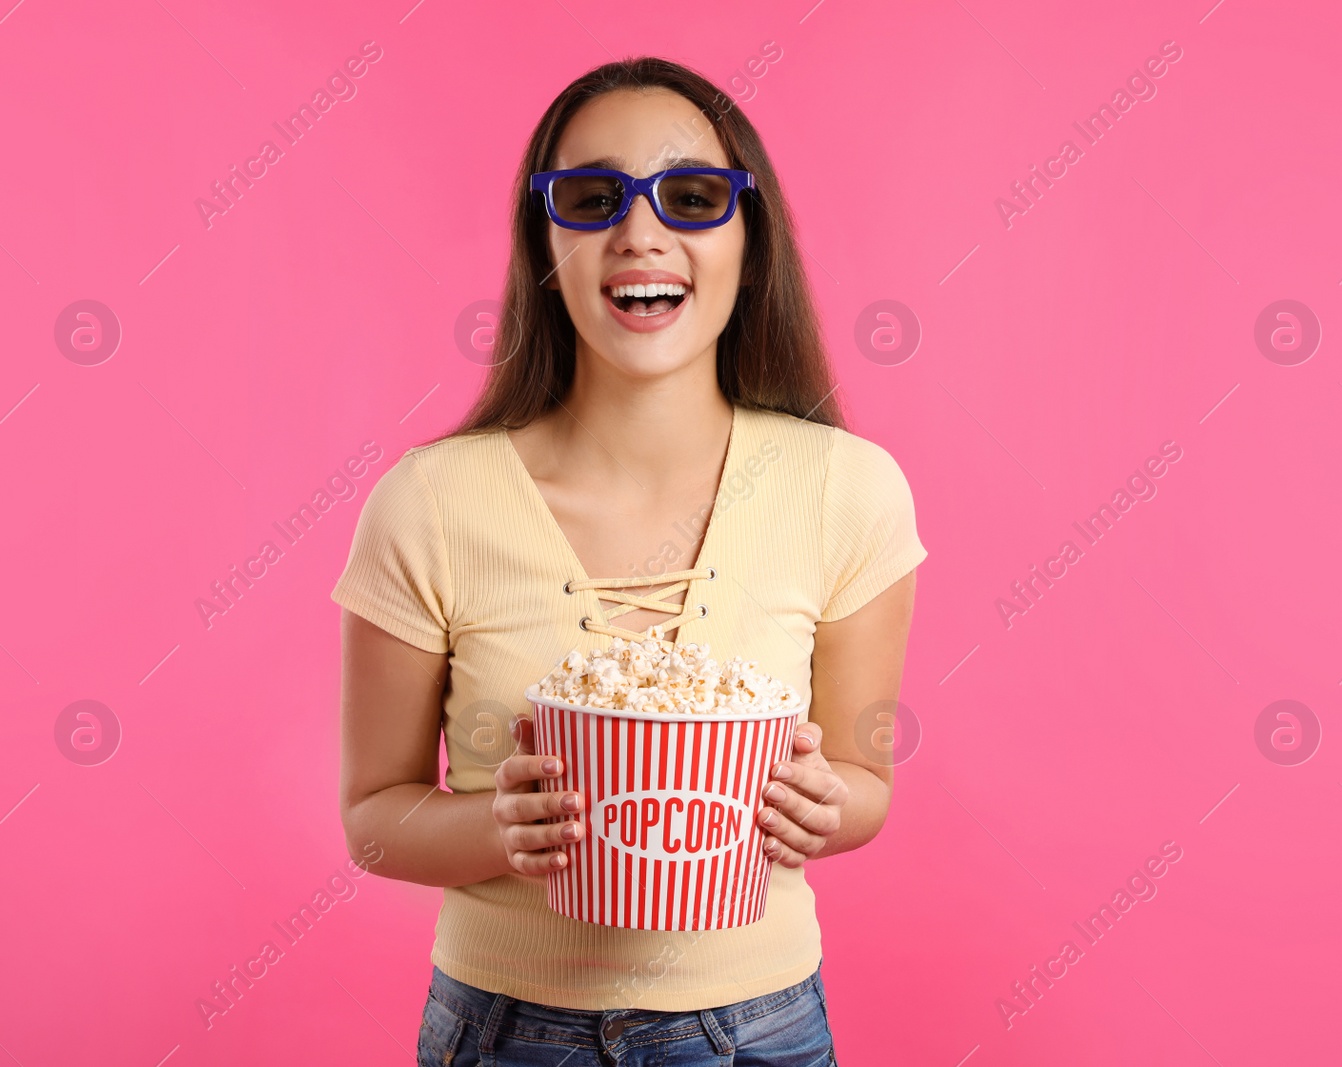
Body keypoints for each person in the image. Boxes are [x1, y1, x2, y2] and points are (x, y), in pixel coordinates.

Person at [332, 55, 926, 1066]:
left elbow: (864, 780)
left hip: (761, 1028)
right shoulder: (428, 503)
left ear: (751, 238)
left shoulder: (848, 490)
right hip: (505, 1031)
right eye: (592, 196)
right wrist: (498, 829)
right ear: (544, 241)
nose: (640, 233)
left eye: (692, 197)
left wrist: (830, 807)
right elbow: (373, 819)